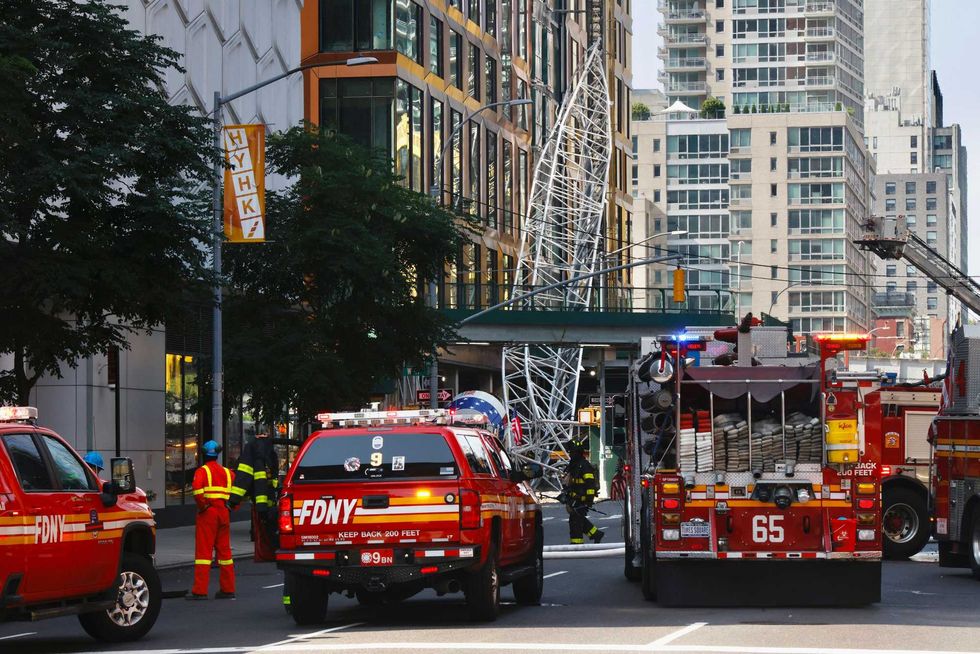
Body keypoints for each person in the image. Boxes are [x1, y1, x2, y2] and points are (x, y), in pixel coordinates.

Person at [186, 440, 236, 600]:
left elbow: (197, 490)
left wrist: (203, 507)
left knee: (203, 553)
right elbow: (238, 493)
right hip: (224, 513)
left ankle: (200, 591)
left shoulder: (202, 471)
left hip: (208, 514)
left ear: (203, 454)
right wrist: (231, 508)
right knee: (225, 553)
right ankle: (228, 590)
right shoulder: (228, 473)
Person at [229, 430, 280, 561]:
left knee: (260, 527)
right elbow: (273, 477)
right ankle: (271, 552)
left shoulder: (250, 453)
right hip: (269, 498)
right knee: (270, 527)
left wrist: (233, 501)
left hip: (258, 500)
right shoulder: (271, 454)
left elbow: (242, 479)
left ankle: (264, 553)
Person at [563, 436, 604, 545]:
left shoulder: (584, 466)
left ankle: (576, 545)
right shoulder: (575, 465)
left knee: (575, 522)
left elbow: (590, 485)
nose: (570, 455)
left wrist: (588, 500)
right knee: (578, 519)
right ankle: (596, 534)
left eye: (572, 452)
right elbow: (572, 483)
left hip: (582, 499)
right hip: (575, 499)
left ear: (577, 452)